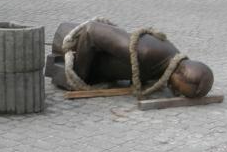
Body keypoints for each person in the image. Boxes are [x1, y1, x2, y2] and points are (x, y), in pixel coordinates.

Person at [50, 20, 214, 98]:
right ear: (180, 71)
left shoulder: (169, 59)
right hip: (68, 42)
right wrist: (79, 76)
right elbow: (90, 31)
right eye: (178, 88)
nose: (175, 92)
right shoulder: (145, 53)